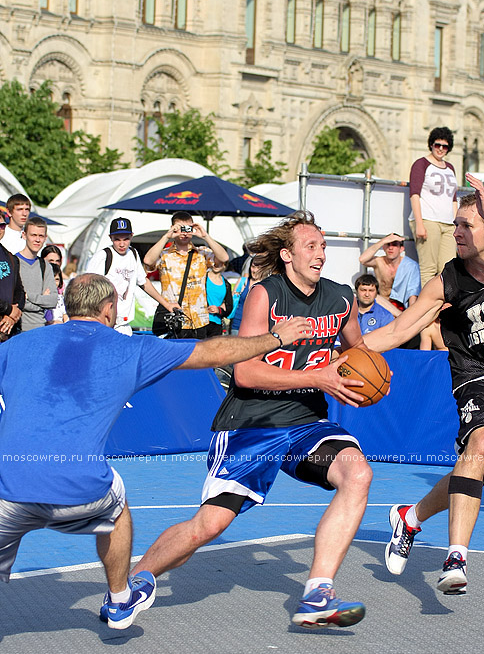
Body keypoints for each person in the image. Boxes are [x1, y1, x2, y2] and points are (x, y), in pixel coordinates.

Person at [0, 272, 309, 629]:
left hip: (8, 486)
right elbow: (213, 352)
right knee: (117, 508)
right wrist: (275, 338)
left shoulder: (16, 346)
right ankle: (119, 598)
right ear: (109, 308)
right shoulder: (131, 348)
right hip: (80, 486)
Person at [132, 210, 375, 630]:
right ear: (287, 254)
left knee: (357, 475)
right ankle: (134, 580)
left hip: (305, 423)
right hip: (252, 423)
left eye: (323, 246)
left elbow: (362, 351)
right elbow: (245, 371)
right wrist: (317, 375)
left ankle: (318, 592)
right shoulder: (266, 294)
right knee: (209, 524)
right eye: (310, 247)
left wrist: (419, 318)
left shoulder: (340, 298)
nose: (320, 254)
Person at [364, 173, 484, 594]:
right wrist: (338, 354)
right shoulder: (447, 281)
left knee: (474, 472)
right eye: (455, 224)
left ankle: (411, 517)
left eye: (466, 225)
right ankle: (456, 556)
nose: (455, 232)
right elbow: (396, 331)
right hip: (478, 374)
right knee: (480, 442)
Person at [144, 212, 229, 339]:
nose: (184, 233)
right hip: (174, 320)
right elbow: (148, 261)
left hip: (198, 320)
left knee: (198, 358)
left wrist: (205, 236)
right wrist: (166, 236)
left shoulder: (202, 253)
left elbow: (224, 257)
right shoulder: (164, 254)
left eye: (188, 228)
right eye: (180, 228)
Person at [86, 217, 177, 336]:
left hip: (123, 324)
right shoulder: (103, 256)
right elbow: (87, 287)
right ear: (110, 238)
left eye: (126, 239)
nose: (122, 244)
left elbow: (143, 282)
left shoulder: (133, 253)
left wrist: (167, 305)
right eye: (117, 239)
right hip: (103, 324)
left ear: (132, 236)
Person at [409, 126, 458, 287]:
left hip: (448, 223)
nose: (441, 149)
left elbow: (453, 199)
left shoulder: (450, 168)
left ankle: (445, 306)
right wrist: (419, 224)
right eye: (437, 145)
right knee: (428, 268)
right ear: (431, 144)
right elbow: (414, 194)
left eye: (445, 146)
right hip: (428, 219)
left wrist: (457, 224)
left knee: (448, 268)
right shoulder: (421, 164)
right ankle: (428, 308)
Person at [359, 233, 421, 310]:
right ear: (384, 247)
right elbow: (362, 259)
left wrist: (412, 312)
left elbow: (413, 293)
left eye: (394, 245)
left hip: (401, 307)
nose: (390, 248)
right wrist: (383, 241)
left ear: (401, 249)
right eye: (388, 244)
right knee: (376, 298)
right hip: (382, 305)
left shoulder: (411, 266)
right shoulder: (379, 262)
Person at [17, 217, 58, 331]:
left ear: (45, 238)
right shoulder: (14, 263)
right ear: (24, 235)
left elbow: (53, 300)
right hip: (18, 328)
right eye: (33, 235)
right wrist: (41, 300)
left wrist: (29, 296)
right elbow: (15, 301)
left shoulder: (45, 266)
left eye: (41, 236)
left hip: (40, 329)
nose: (37, 240)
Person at [0, 211, 24, 341]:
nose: (0, 229)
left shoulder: (10, 257)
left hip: (8, 328)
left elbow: (20, 291)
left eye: (2, 225)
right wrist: (9, 310)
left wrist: (13, 314)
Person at [228, 256, 263, 335]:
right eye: (253, 267)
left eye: (258, 268)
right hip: (237, 324)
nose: (255, 270)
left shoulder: (266, 285)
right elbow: (231, 299)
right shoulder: (243, 281)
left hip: (255, 327)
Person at [205, 258, 233, 337]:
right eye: (215, 262)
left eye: (221, 263)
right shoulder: (202, 278)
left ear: (225, 265)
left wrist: (218, 310)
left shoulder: (226, 284)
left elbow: (229, 307)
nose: (217, 265)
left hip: (216, 324)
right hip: (201, 322)